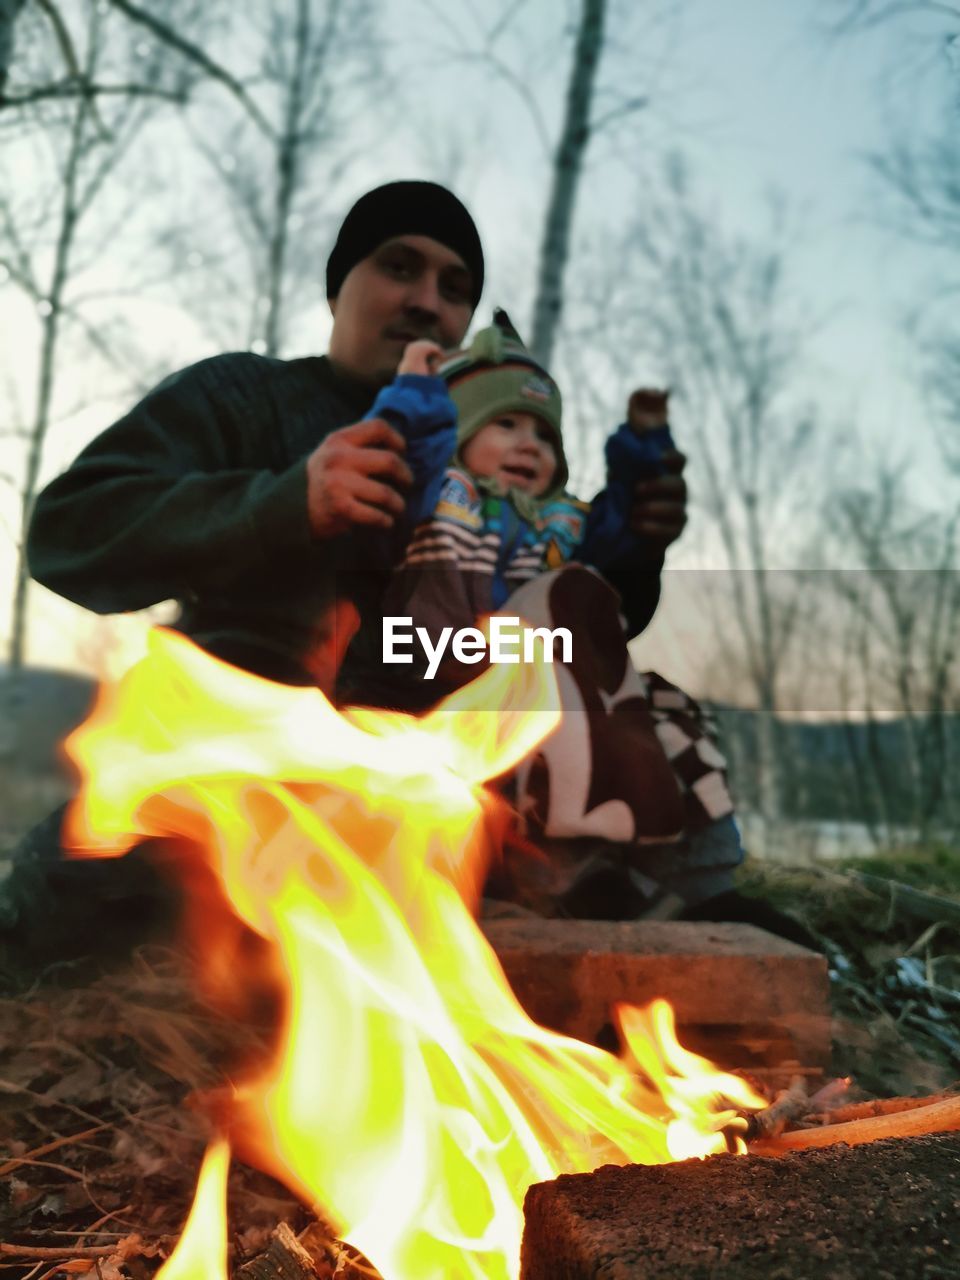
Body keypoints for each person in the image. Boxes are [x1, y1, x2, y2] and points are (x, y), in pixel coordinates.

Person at [1, 179, 811, 957]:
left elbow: (560, 631)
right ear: (338, 285)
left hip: (450, 797)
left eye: (456, 286)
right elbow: (72, 532)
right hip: (252, 780)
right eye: (398, 265)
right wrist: (286, 502)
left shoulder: (489, 457)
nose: (429, 299)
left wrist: (635, 552)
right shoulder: (245, 397)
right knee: (75, 888)